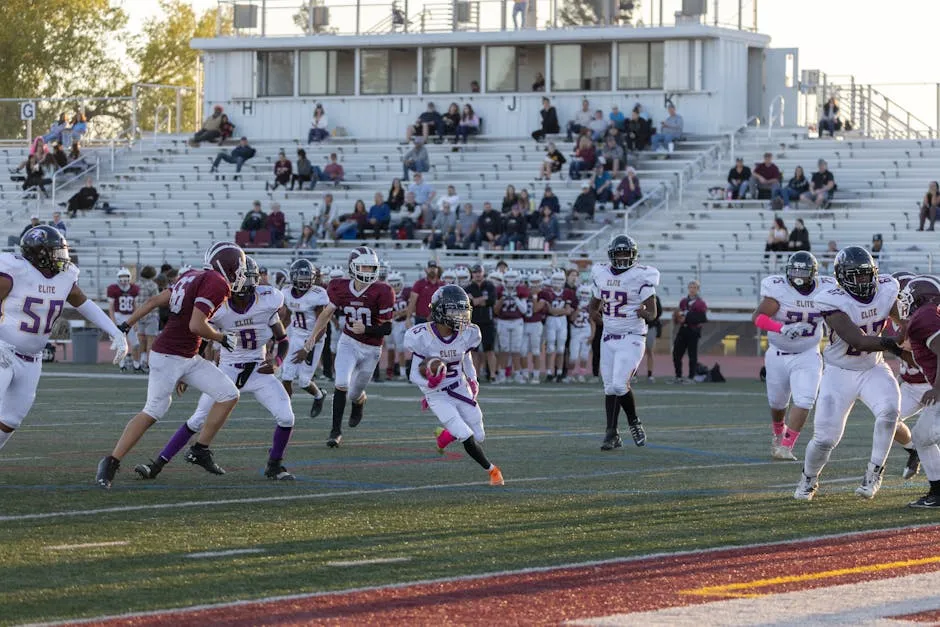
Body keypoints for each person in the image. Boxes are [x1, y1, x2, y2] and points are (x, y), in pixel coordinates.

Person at [95, 242, 247, 488]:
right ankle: (111, 461)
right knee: (154, 410)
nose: (241, 273)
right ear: (227, 265)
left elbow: (156, 300)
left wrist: (127, 325)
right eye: (239, 267)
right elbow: (196, 325)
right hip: (168, 356)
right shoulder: (217, 282)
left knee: (229, 394)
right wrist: (221, 338)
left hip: (185, 356)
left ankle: (200, 449)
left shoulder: (192, 275)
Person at [134, 258, 298, 481]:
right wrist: (188, 365)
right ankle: (157, 464)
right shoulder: (219, 305)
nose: (248, 283)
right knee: (197, 419)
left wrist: (277, 361)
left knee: (286, 417)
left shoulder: (268, 300)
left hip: (259, 371)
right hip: (228, 369)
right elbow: (200, 335)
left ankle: (275, 465)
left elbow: (283, 339)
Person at [0, 226, 127, 454]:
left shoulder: (65, 277)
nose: (62, 258)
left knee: (12, 419)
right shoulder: (14, 270)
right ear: (38, 252)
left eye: (62, 252)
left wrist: (115, 331)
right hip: (4, 350)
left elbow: (85, 304)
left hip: (32, 359)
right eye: (55, 253)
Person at [793, 247, 904, 501]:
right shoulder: (830, 299)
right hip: (839, 373)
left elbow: (903, 322)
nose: (864, 282)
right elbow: (859, 340)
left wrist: (910, 338)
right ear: (843, 278)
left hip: (873, 367)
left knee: (889, 413)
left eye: (867, 275)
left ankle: (874, 473)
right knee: (825, 439)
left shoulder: (887, 288)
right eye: (858, 276)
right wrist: (895, 344)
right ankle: (808, 478)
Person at [405, 285, 504, 485]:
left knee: (480, 435)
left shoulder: (467, 333)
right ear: (440, 311)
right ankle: (492, 471)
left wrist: (473, 379)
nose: (461, 315)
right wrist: (429, 383)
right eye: (455, 311)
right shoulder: (422, 336)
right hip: (437, 394)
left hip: (459, 387)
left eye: (463, 310)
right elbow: (413, 374)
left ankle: (444, 436)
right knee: (465, 434)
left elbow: (466, 358)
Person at [305, 247, 394, 447]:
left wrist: (367, 329)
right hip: (349, 342)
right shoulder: (339, 286)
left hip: (372, 348)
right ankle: (335, 432)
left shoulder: (383, 290)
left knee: (354, 393)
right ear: (353, 267)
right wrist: (312, 337)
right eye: (365, 267)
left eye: (372, 268)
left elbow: (387, 328)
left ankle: (359, 401)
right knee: (341, 383)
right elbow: (327, 313)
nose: (369, 271)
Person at [753, 252, 834, 461]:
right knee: (778, 403)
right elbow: (758, 318)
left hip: (807, 353)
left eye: (802, 272)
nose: (797, 276)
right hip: (778, 354)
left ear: (813, 274)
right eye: (794, 271)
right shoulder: (779, 288)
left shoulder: (826, 288)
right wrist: (781, 328)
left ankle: (786, 446)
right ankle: (778, 434)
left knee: (806, 399)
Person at [588, 235, 660, 449]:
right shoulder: (601, 274)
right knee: (609, 387)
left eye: (625, 253)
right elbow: (593, 306)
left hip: (632, 336)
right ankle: (611, 433)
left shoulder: (641, 275)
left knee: (620, 384)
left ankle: (634, 421)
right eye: (617, 254)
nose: (621, 258)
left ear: (633, 255)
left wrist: (644, 313)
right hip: (609, 337)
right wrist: (598, 317)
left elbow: (653, 313)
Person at [896, 276, 940, 507]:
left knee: (924, 435)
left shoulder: (924, 316)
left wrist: (938, 388)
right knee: (922, 436)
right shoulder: (930, 314)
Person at [278, 259, 328, 419]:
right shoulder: (286, 292)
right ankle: (286, 412)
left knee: (304, 382)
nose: (304, 281)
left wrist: (307, 348)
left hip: (314, 338)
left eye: (307, 278)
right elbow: (286, 318)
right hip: (297, 335)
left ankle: (319, 395)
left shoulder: (317, 295)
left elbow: (322, 326)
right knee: (286, 376)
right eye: (301, 277)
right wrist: (278, 336)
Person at [541, 271, 576, 382]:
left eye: (560, 280)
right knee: (550, 347)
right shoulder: (547, 292)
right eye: (556, 279)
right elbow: (551, 310)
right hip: (551, 320)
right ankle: (549, 372)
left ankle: (559, 372)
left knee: (561, 348)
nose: (558, 282)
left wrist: (559, 311)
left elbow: (568, 311)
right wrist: (563, 311)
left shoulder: (567, 292)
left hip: (562, 321)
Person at [494, 269, 527, 384]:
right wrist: (503, 298)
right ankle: (502, 374)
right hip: (503, 321)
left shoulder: (521, 291)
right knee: (504, 349)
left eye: (513, 279)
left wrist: (515, 298)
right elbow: (496, 310)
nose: (511, 282)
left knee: (516, 349)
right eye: (509, 279)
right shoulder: (499, 291)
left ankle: (517, 373)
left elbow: (524, 310)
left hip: (517, 321)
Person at [466, 264, 498, 382]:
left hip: (488, 322)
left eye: (479, 272)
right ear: (472, 274)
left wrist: (475, 300)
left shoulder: (490, 286)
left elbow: (491, 301)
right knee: (474, 351)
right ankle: (476, 376)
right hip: (473, 323)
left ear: (483, 273)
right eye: (475, 272)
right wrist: (481, 299)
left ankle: (493, 375)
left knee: (489, 350)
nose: (477, 274)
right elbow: (468, 304)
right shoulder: (468, 288)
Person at [671, 279, 707, 383]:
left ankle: (691, 376)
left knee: (692, 355)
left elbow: (702, 318)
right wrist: (677, 317)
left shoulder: (701, 303)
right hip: (683, 329)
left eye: (694, 287)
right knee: (676, 353)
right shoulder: (683, 301)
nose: (692, 289)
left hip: (693, 330)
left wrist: (688, 317)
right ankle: (678, 376)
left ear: (698, 289)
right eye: (691, 287)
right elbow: (679, 316)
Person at [108, 267, 142, 373]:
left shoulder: (134, 288)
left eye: (126, 277)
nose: (124, 279)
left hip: (131, 316)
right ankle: (122, 364)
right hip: (119, 316)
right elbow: (111, 307)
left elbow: (136, 306)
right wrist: (113, 321)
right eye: (122, 277)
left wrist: (136, 320)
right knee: (120, 342)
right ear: (118, 278)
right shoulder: (113, 289)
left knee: (136, 343)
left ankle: (136, 364)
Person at [383, 272, 411, 379]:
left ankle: (404, 372)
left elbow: (410, 307)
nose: (394, 287)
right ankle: (394, 371)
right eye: (392, 284)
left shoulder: (406, 292)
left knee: (402, 348)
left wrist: (398, 313)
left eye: (396, 284)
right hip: (393, 323)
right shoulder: (387, 294)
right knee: (392, 348)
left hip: (404, 322)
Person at [135, 265, 161, 374]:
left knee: (141, 341)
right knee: (151, 342)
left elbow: (135, 301)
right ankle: (150, 365)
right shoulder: (153, 285)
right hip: (151, 315)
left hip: (139, 314)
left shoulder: (136, 285)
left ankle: (140, 362)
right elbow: (157, 300)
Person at [568, 284, 594, 382]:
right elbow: (572, 318)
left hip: (586, 331)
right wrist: (578, 308)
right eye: (582, 292)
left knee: (584, 355)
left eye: (586, 293)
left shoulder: (591, 305)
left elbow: (592, 322)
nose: (584, 295)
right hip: (575, 332)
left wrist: (592, 335)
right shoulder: (575, 304)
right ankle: (570, 375)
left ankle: (581, 375)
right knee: (573, 355)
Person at [408, 261, 443, 325]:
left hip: (438, 320)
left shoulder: (443, 285)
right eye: (430, 268)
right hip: (421, 319)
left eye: (434, 268)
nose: (432, 270)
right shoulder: (419, 284)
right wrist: (408, 318)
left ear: (438, 270)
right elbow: (412, 302)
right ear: (426, 269)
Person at [642, 293, 662, 383]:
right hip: (638, 326)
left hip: (650, 326)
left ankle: (650, 374)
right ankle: (633, 374)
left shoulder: (655, 297)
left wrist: (647, 315)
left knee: (649, 350)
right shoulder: (636, 296)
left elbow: (659, 312)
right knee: (636, 351)